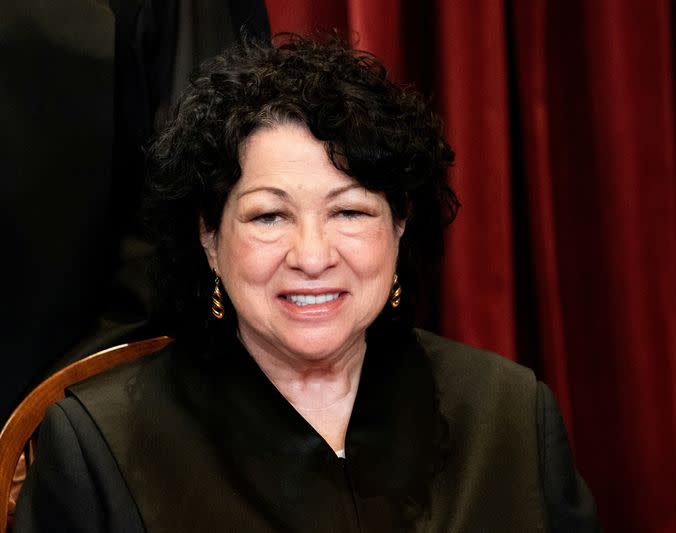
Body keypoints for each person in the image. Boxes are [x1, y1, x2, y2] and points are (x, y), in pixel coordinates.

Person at [15, 34, 601, 532]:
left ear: (400, 225)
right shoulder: (98, 446)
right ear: (209, 239)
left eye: (350, 212)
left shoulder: (511, 414)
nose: (313, 256)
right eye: (269, 216)